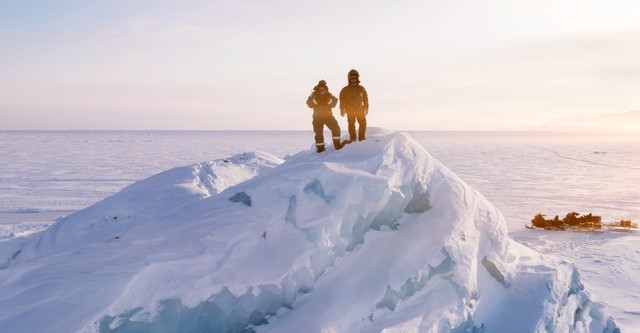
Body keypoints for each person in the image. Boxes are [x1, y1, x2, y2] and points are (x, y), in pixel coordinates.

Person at [306, 80, 346, 153]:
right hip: (317, 117)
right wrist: (315, 101)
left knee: (336, 129)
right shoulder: (313, 95)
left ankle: (337, 145)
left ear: (325, 87)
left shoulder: (329, 94)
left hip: (328, 117)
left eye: (323, 87)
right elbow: (309, 104)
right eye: (320, 87)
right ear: (318, 87)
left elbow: (334, 103)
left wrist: (329, 101)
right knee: (318, 134)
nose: (321, 89)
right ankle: (320, 149)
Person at [339, 69, 369, 141]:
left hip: (360, 109)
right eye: (352, 78)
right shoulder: (344, 89)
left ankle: (361, 138)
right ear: (349, 78)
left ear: (357, 78)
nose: (353, 79)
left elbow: (365, 100)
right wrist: (342, 109)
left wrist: (366, 108)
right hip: (350, 109)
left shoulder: (362, 89)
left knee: (363, 123)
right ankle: (353, 138)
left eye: (355, 78)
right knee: (351, 123)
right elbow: (341, 100)